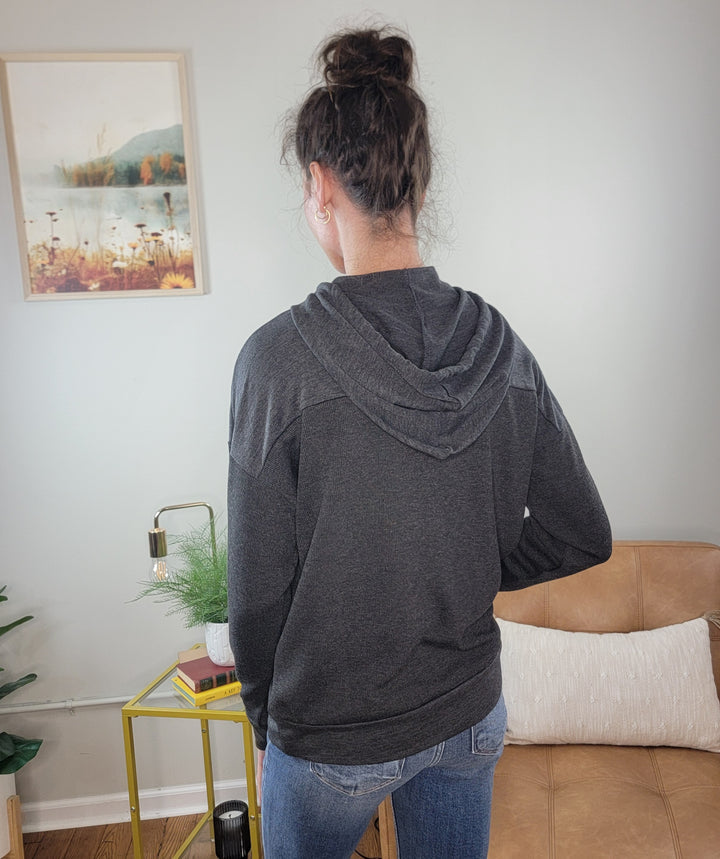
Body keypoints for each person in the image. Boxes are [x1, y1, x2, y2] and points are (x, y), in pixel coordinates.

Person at [227, 25, 611, 859]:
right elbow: (584, 529)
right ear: (417, 184)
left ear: (320, 186)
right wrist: (465, 555)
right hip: (467, 716)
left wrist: (267, 721)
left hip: (329, 739)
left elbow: (255, 593)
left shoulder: (277, 361)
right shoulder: (499, 344)